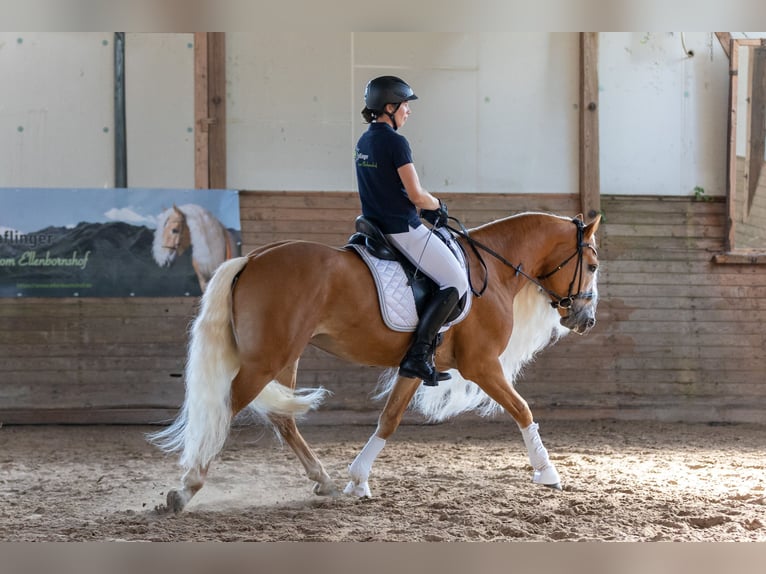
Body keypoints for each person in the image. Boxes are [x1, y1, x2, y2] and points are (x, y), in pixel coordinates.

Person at [354, 75, 469, 386]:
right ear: (390, 107)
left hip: (375, 225)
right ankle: (418, 355)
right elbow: (417, 196)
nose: (408, 110)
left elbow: (388, 189)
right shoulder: (395, 142)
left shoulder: (364, 141)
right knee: (455, 281)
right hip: (402, 228)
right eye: (405, 105)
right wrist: (437, 204)